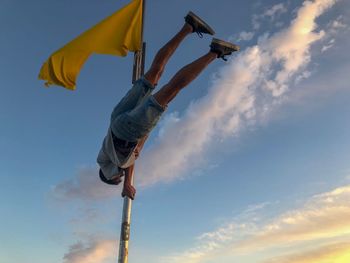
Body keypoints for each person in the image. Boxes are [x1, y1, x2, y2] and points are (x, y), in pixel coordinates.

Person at [97, 11, 239, 200]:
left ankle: (215, 52)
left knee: (172, 89)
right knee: (154, 74)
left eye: (117, 178)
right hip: (116, 120)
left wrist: (127, 183)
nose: (120, 177)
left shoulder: (112, 165)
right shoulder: (104, 152)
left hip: (126, 132)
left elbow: (123, 164)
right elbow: (129, 158)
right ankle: (189, 26)